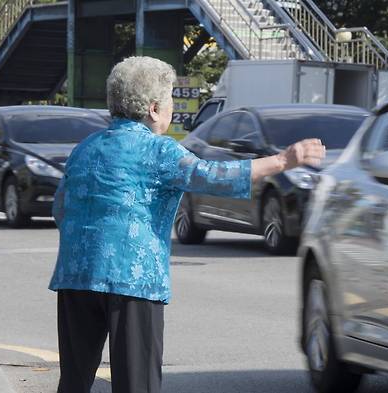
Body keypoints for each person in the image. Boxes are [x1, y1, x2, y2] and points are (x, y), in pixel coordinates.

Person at [48, 56, 326, 393]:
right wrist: (283, 160)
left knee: (74, 383)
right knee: (137, 385)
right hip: (132, 281)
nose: (170, 110)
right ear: (153, 109)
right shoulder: (158, 150)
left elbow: (61, 207)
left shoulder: (85, 148)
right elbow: (212, 176)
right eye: (169, 102)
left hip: (75, 277)